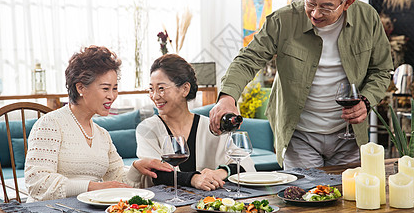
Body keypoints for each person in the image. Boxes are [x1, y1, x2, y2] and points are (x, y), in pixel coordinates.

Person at [209, 0, 393, 169]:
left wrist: (366, 100)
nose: (315, 14)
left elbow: (381, 70)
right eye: (310, 2)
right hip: (299, 136)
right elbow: (247, 60)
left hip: (349, 136)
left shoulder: (367, 18)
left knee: (348, 198)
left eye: (326, 6)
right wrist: (227, 98)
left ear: (348, 2)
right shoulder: (284, 20)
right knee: (304, 196)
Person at [24, 46, 172, 202]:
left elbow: (118, 181)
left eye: (115, 89)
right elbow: (37, 183)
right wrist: (93, 187)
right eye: (106, 88)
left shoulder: (102, 134)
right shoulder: (50, 124)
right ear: (80, 87)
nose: (112, 96)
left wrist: (136, 167)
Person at [136, 54, 255, 190]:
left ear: (185, 89)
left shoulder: (210, 127)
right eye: (151, 89)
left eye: (161, 88)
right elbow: (154, 173)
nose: (155, 96)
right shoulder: (147, 128)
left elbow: (245, 163)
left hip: (210, 204)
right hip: (165, 207)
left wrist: (219, 172)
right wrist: (194, 179)